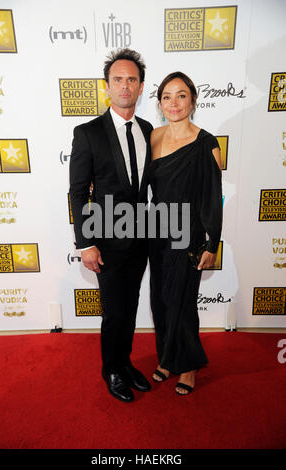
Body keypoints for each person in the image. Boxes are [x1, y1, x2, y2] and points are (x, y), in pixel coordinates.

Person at [69, 49, 153, 403]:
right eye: (117, 79)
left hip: (141, 239)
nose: (124, 85)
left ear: (140, 87)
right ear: (107, 87)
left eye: (131, 79)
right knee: (114, 311)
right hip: (105, 240)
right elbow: (77, 191)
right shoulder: (88, 133)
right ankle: (112, 369)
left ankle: (126, 361)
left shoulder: (148, 130)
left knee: (130, 307)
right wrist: (85, 244)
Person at [149, 71, 222, 395]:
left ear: (193, 100)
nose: (174, 103)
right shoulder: (153, 137)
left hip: (188, 233)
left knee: (182, 301)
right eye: (167, 96)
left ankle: (189, 364)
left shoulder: (207, 143)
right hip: (155, 231)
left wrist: (212, 242)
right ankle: (167, 357)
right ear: (160, 102)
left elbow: (212, 196)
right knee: (160, 300)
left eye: (181, 95)